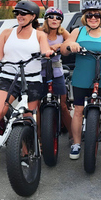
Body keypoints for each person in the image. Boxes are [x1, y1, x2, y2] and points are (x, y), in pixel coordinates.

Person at [0, 1, 52, 165]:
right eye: (17, 13)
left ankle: (25, 153)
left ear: (33, 16)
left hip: (33, 80)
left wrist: (47, 52)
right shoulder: (7, 33)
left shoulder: (39, 34)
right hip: (9, 78)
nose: (20, 16)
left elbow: (44, 48)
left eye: (24, 13)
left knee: (29, 117)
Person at [60, 0, 101, 160]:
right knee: (78, 111)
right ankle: (76, 143)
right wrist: (71, 45)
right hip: (82, 78)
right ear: (84, 17)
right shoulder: (77, 32)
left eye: (96, 15)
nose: (93, 18)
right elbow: (64, 49)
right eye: (89, 15)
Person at [41, 7, 72, 142]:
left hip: (57, 72)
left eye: (58, 18)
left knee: (63, 106)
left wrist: (60, 44)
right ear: (46, 19)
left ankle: (74, 136)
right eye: (51, 17)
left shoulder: (62, 32)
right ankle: (38, 138)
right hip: (40, 72)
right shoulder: (39, 32)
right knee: (36, 106)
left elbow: (72, 41)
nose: (54, 19)